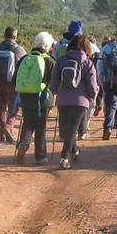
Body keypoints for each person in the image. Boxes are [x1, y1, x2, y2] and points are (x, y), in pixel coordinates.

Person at [49, 34, 99, 170]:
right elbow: (92, 87)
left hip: (62, 100)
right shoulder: (88, 63)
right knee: (72, 129)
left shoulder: (61, 60)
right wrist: (93, 97)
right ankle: (67, 155)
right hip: (81, 102)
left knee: (67, 130)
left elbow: (54, 81)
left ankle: (68, 154)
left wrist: (53, 92)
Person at [14, 32, 56, 166]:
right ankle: (40, 157)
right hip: (43, 99)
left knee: (27, 122)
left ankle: (22, 145)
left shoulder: (24, 58)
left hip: (25, 96)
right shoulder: (50, 61)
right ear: (48, 46)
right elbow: (54, 84)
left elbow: (15, 79)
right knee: (41, 126)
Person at [0, 27, 26, 143]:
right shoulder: (19, 49)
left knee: (1, 107)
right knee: (13, 108)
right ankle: (8, 126)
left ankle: (1, 134)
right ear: (16, 37)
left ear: (4, 35)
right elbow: (23, 65)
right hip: (12, 83)